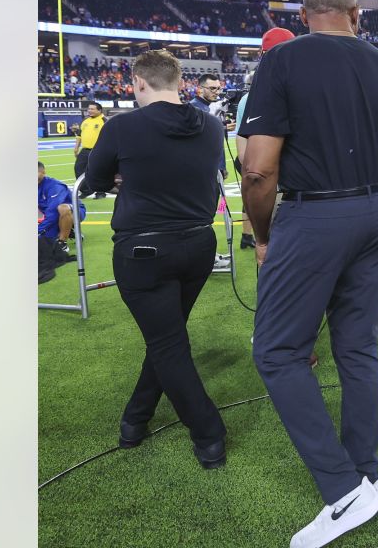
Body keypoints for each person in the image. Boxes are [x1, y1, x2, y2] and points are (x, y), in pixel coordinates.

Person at [240, 0, 378, 548]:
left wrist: (263, 234)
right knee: (357, 348)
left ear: (305, 15)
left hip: (314, 215)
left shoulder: (282, 63)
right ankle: (366, 472)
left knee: (276, 351)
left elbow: (257, 169)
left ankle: (344, 489)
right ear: (355, 14)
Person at [80, 50, 229, 471]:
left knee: (167, 343)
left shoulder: (123, 126)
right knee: (167, 339)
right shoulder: (212, 125)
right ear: (179, 82)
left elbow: (94, 180)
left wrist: (126, 175)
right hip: (199, 246)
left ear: (138, 84)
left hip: (144, 251)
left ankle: (208, 432)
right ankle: (134, 420)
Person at [236, 27, 297, 249]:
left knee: (274, 269)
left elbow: (249, 162)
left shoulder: (250, 99)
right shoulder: (311, 91)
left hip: (272, 191)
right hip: (308, 197)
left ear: (263, 55)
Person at [187, 72, 232, 271]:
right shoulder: (194, 109)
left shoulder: (207, 108)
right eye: (212, 88)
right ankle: (205, 257)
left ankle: (208, 254)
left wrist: (222, 167)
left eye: (218, 88)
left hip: (213, 170)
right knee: (203, 216)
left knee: (210, 214)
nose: (216, 92)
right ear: (200, 88)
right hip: (203, 173)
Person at [38, 161, 85, 252]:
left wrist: (39, 230)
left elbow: (53, 213)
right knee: (46, 240)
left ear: (43, 172)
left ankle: (62, 242)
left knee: (62, 208)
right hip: (51, 215)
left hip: (74, 211)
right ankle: (69, 231)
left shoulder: (54, 186)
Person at [74, 102, 105, 198]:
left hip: (98, 150)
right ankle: (86, 190)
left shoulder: (104, 121)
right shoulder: (85, 121)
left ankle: (101, 192)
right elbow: (79, 135)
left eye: (92, 109)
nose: (89, 111)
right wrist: (76, 147)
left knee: (99, 171)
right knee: (78, 168)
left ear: (99, 110)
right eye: (89, 109)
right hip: (85, 150)